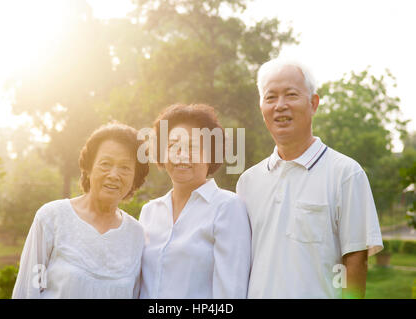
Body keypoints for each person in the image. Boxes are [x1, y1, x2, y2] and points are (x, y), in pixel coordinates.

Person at [236, 58, 383, 299]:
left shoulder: (345, 173)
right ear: (261, 107)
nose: (280, 105)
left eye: (291, 95)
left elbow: (356, 261)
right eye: (270, 97)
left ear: (313, 103)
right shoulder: (247, 182)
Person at [12, 121, 149, 298]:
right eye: (105, 163)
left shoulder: (136, 234)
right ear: (89, 168)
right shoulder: (51, 218)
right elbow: (28, 290)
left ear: (134, 178)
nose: (114, 175)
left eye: (125, 167)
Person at [139, 103, 251, 298]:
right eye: (173, 145)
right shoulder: (150, 212)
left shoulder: (227, 207)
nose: (182, 155)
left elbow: (231, 292)